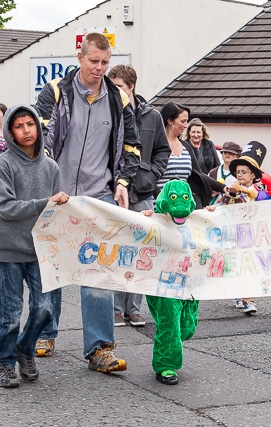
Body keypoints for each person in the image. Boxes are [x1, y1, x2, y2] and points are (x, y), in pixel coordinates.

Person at [34, 32, 141, 372]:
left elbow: (132, 148)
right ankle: (43, 332)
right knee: (53, 265)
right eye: (94, 61)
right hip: (59, 194)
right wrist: (46, 185)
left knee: (98, 271)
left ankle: (100, 348)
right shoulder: (55, 93)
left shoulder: (118, 99)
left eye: (105, 63)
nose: (99, 68)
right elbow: (39, 142)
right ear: (79, 57)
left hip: (99, 197)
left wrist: (122, 182)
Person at [0, 105, 69, 388]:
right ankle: (4, 363)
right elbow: (6, 208)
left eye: (30, 124)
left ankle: (25, 348)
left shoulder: (51, 167)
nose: (27, 130)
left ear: (38, 128)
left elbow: (58, 213)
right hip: (9, 249)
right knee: (10, 314)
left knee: (45, 309)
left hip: (42, 251)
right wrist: (45, 202)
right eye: (19, 126)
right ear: (10, 132)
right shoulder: (4, 164)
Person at [108, 64, 171, 328]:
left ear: (131, 86)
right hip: (113, 191)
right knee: (115, 250)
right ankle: (115, 309)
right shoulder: (109, 112)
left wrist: (151, 173)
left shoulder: (152, 116)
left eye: (119, 87)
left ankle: (133, 308)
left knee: (141, 252)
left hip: (143, 191)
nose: (115, 92)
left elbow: (162, 151)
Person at [141, 180, 201, 385]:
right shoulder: (155, 220)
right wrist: (142, 219)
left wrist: (210, 212)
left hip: (188, 281)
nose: (180, 205)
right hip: (163, 284)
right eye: (174, 199)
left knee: (186, 327)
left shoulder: (194, 220)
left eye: (185, 199)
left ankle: (171, 346)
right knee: (169, 323)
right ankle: (165, 365)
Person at [224, 141, 271, 313]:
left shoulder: (261, 194)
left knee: (252, 266)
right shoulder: (232, 191)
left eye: (244, 172)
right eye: (238, 172)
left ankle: (247, 297)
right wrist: (230, 198)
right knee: (238, 265)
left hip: (254, 235)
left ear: (253, 175)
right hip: (237, 234)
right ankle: (244, 296)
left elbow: (268, 208)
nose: (240, 175)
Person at [158, 102, 225, 208]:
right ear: (170, 120)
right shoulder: (156, 145)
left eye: (187, 121)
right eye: (183, 121)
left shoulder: (186, 146)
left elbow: (198, 174)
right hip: (161, 206)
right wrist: (162, 200)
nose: (186, 125)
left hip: (183, 206)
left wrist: (223, 188)